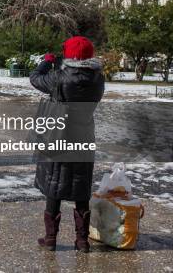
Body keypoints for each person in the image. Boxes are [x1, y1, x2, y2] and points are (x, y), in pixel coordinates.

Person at [30, 36, 104, 253]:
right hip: (84, 136)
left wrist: (46, 61)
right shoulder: (98, 78)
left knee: (54, 186)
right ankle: (82, 241)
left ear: (69, 55)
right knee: (81, 189)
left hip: (58, 137)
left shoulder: (59, 78)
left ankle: (51, 239)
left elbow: (35, 78)